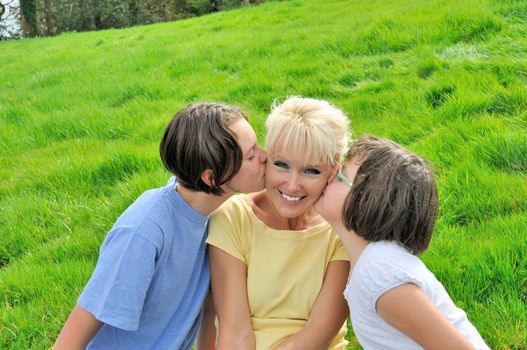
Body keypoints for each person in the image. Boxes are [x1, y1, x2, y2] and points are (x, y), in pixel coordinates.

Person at [53, 102, 267, 350]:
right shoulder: (145, 230)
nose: (265, 157)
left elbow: (206, 313)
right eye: (251, 155)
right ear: (212, 178)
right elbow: (74, 333)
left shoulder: (216, 213)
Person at [315, 135, 489, 349]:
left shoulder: (378, 272)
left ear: (366, 200)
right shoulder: (370, 264)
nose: (331, 177)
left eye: (342, 175)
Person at [206, 96, 351, 350]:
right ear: (266, 158)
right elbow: (234, 333)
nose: (292, 185)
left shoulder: (342, 230)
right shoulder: (233, 217)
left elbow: (319, 334)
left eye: (311, 171)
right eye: (281, 164)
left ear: (333, 171)